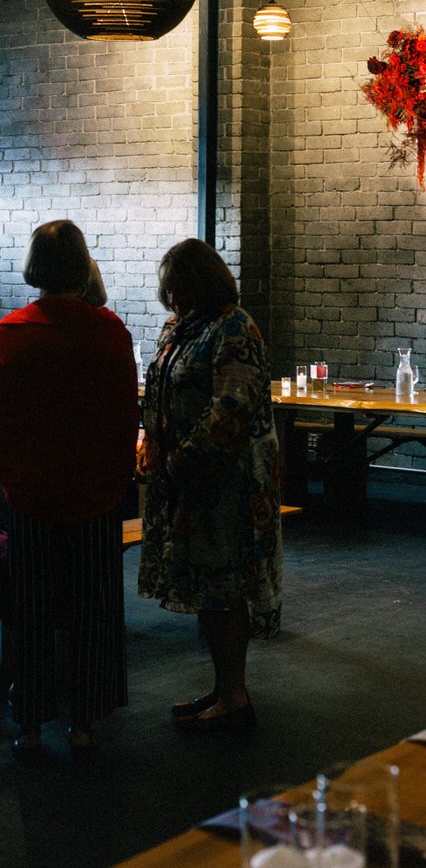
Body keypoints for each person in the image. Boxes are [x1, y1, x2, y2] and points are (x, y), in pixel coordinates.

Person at [0, 220, 139, 757]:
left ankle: (30, 725)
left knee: (30, 612)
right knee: (91, 611)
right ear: (83, 265)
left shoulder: (11, 333)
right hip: (95, 496)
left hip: (30, 495)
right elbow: (124, 416)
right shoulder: (110, 332)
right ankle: (84, 722)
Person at [137, 238, 282, 729]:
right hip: (184, 480)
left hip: (223, 484)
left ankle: (235, 694)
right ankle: (221, 688)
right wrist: (149, 438)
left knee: (224, 587)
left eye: (179, 288)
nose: (171, 299)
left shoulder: (233, 328)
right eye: (168, 290)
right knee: (204, 587)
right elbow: (158, 388)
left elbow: (232, 405)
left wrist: (185, 456)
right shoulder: (181, 328)